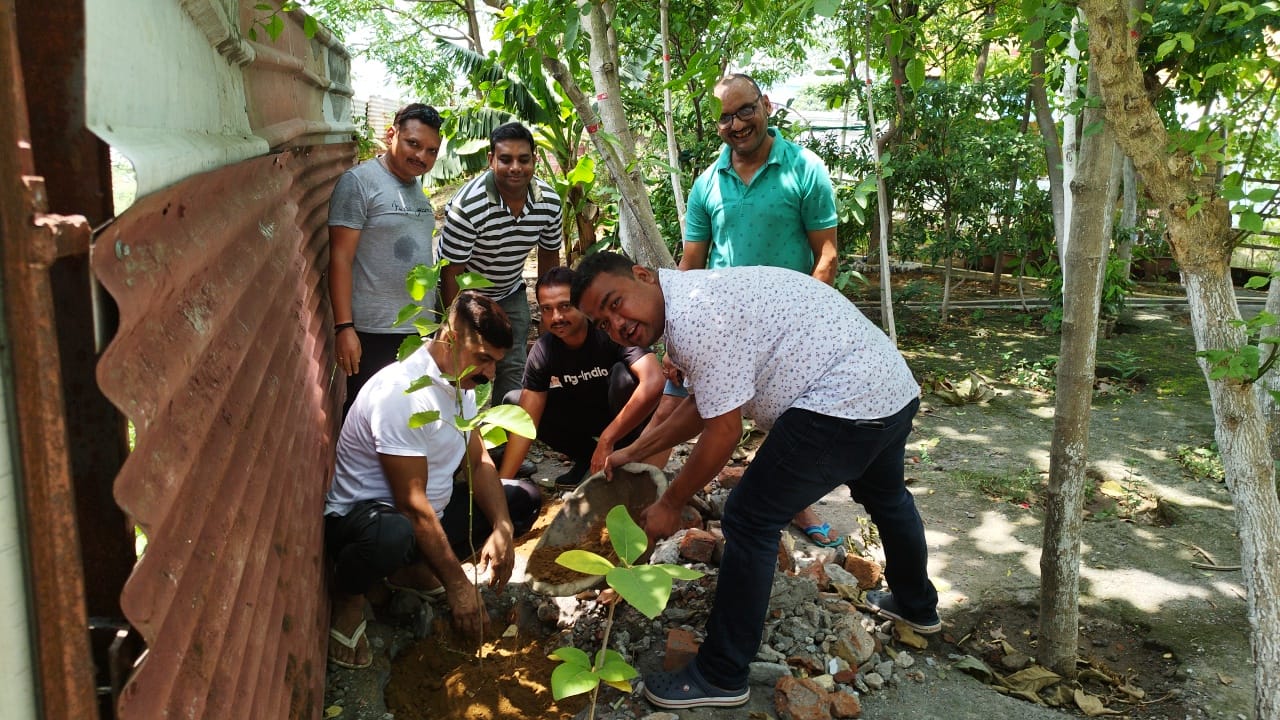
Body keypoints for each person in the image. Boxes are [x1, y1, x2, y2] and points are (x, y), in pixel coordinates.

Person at [571, 253, 936, 710]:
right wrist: (632, 452)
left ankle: (721, 673)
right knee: (886, 495)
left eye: (615, 303)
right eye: (603, 322)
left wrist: (673, 500)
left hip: (841, 399)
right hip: (887, 388)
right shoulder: (692, 296)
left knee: (749, 518)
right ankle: (916, 605)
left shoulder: (694, 318)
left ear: (642, 276)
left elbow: (723, 431)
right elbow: (707, 404)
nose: (617, 324)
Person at [323, 291, 542, 669]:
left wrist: (503, 526)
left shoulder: (461, 383)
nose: (490, 373)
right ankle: (350, 597)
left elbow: (479, 459)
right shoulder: (402, 394)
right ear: (450, 338)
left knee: (523, 498)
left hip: (427, 518)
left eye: (496, 363)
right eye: (484, 359)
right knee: (391, 535)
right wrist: (459, 584)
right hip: (369, 521)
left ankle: (407, 572)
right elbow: (411, 504)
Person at [671, 72, 843, 547]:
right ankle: (669, 491)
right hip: (724, 324)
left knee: (790, 417)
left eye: (745, 110)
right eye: (725, 117)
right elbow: (692, 264)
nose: (737, 124)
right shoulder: (707, 183)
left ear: (766, 105)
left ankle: (796, 503)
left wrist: (811, 317)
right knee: (704, 407)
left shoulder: (804, 168)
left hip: (788, 325)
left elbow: (826, 254)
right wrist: (677, 336)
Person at [496, 267, 667, 489]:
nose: (556, 317)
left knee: (623, 378)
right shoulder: (544, 350)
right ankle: (587, 458)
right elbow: (525, 423)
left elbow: (654, 381)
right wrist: (502, 487)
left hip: (625, 419)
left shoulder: (609, 331)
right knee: (515, 402)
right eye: (547, 309)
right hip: (585, 415)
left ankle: (625, 460)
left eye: (565, 306)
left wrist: (608, 439)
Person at [329, 103, 444, 417]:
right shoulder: (359, 183)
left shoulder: (416, 189)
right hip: (373, 330)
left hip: (418, 328)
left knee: (409, 414)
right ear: (391, 134)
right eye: (414, 144)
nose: (422, 156)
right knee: (367, 414)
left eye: (432, 151)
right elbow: (339, 257)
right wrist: (344, 328)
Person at [437, 121, 564, 404]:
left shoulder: (549, 202)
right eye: (505, 159)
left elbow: (549, 257)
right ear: (491, 160)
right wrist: (454, 324)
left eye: (524, 159)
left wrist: (549, 313)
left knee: (513, 362)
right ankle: (457, 434)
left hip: (508, 290)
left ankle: (503, 439)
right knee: (461, 364)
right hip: (464, 293)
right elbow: (451, 272)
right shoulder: (467, 206)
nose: (515, 167)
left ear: (535, 160)